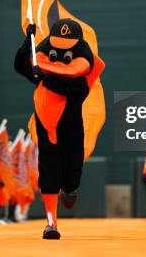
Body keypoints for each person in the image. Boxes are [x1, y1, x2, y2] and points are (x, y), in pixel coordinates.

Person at [14, 19, 104, 240]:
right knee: (48, 172)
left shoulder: (84, 79)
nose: (60, 60)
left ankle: (70, 188)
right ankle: (51, 223)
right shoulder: (40, 69)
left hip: (72, 131)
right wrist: (28, 41)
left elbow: (72, 89)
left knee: (73, 170)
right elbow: (20, 65)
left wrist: (46, 77)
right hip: (47, 130)